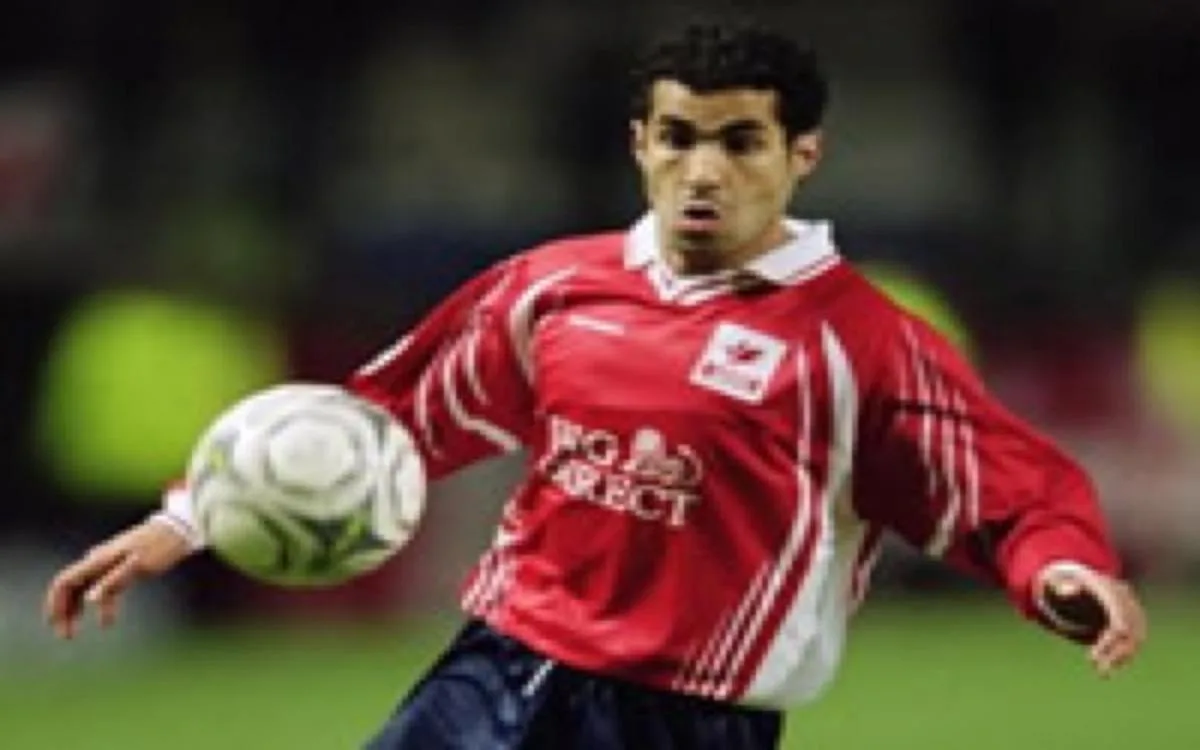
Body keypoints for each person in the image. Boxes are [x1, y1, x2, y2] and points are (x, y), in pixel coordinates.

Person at [44, 21, 1147, 750]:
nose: (703, 169)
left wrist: (1062, 569)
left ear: (801, 154)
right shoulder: (554, 286)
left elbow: (1004, 487)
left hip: (686, 718)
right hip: (497, 666)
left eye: (741, 142)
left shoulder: (859, 342)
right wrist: (186, 520)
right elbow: (384, 416)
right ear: (639, 143)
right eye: (678, 137)